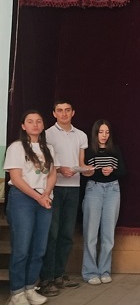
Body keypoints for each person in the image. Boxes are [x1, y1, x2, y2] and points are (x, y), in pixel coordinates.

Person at [4, 110, 57, 305]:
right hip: (23, 199)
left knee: (39, 248)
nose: (35, 125)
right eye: (30, 121)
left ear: (43, 125)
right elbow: (16, 178)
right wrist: (38, 197)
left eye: (38, 121)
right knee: (22, 248)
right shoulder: (16, 147)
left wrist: (46, 194)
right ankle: (17, 293)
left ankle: (30, 287)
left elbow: (52, 174)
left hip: (44, 199)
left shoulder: (48, 148)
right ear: (23, 126)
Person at [39, 100, 90, 296]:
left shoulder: (81, 135)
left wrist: (86, 170)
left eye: (67, 110)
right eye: (60, 110)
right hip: (53, 188)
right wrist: (60, 169)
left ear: (73, 112)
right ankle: (47, 277)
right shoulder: (47, 134)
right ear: (54, 113)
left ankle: (60, 274)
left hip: (73, 188)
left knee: (66, 234)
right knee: (52, 234)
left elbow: (81, 163)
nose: (64, 114)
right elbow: (44, 162)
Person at [81, 119, 126, 285]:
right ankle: (90, 272)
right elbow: (83, 172)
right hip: (94, 189)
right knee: (91, 234)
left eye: (107, 132)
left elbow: (123, 171)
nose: (104, 135)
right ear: (95, 133)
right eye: (101, 132)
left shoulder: (115, 149)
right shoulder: (89, 151)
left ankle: (104, 270)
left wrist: (112, 171)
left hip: (113, 189)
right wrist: (96, 172)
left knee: (108, 234)